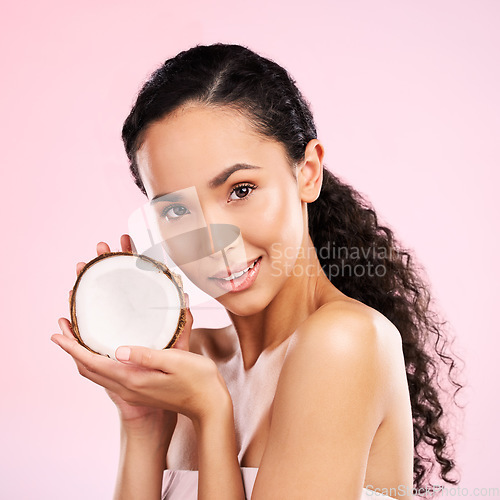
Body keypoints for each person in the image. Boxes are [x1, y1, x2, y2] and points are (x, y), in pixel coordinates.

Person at [51, 43, 464, 499]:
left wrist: (212, 415)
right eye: (176, 213)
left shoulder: (344, 341)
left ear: (307, 172)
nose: (212, 242)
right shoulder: (196, 363)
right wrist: (142, 424)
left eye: (240, 189)